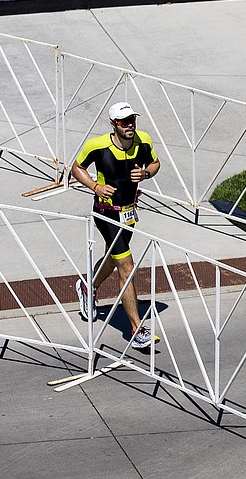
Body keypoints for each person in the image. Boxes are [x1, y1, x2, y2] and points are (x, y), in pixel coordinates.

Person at [71, 101, 162, 350]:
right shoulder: (97, 146)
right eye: (124, 122)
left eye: (132, 120)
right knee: (126, 265)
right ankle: (136, 329)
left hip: (129, 212)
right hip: (106, 213)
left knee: (114, 259)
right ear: (114, 124)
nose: (130, 125)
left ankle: (88, 288)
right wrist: (95, 187)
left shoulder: (143, 141)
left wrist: (146, 175)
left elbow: (155, 163)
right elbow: (76, 168)